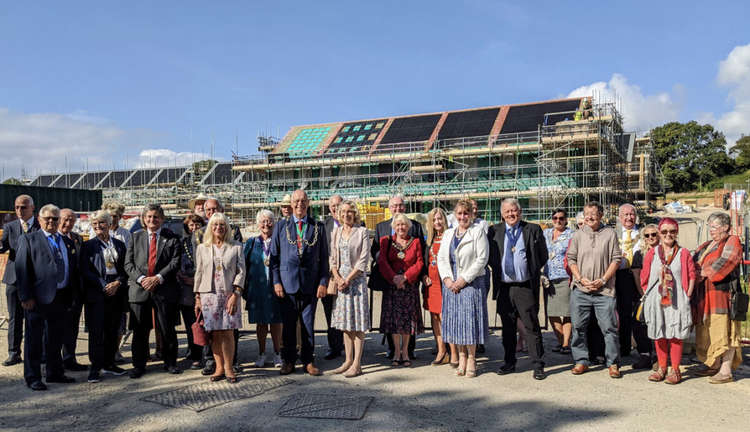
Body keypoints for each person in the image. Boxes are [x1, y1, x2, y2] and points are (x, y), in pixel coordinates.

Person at [15, 204, 79, 390]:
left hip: (61, 297)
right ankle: (33, 377)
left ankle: (54, 372)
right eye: (47, 219)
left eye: (55, 218)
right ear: (40, 220)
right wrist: (25, 296)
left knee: (55, 338)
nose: (51, 221)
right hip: (37, 298)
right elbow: (22, 270)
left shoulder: (67, 241)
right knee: (34, 340)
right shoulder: (28, 239)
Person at [488, 198, 548, 380]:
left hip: (524, 287)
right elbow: (491, 256)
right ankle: (509, 362)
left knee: (531, 326)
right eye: (507, 212)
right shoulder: (494, 231)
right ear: (502, 214)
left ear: (520, 212)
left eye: (514, 211)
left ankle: (538, 364)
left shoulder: (533, 229)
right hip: (504, 288)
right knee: (507, 327)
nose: (511, 214)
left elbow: (542, 256)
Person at [270, 189, 328, 376]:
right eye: (296, 201)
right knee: (288, 326)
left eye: (303, 201)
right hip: (287, 285)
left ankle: (308, 361)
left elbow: (324, 259)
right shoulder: (281, 227)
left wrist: (323, 282)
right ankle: (288, 361)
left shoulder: (317, 226)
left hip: (310, 285)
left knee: (308, 325)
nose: (299, 204)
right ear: (291, 204)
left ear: (308, 203)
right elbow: (274, 259)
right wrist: (277, 282)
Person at [124, 204, 182, 378]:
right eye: (148, 216)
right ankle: (138, 365)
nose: (152, 220)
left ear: (162, 219)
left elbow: (175, 262)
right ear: (143, 219)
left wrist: (157, 278)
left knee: (167, 329)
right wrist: (142, 280)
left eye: (156, 217)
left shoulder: (172, 238)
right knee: (140, 330)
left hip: (164, 289)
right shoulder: (135, 237)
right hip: (140, 289)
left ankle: (170, 362)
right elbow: (128, 264)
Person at [566, 201, 622, 378]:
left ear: (601, 215)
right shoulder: (578, 235)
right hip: (581, 290)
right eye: (586, 213)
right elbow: (571, 259)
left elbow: (616, 259)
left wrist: (603, 279)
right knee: (578, 327)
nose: (589, 216)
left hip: (604, 291)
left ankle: (612, 363)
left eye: (593, 213)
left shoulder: (610, 234)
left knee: (609, 328)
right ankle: (581, 360)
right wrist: (580, 278)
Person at [640, 218, 695, 384]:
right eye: (664, 232)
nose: (668, 235)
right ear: (659, 233)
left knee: (675, 334)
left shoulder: (683, 253)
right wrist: (648, 296)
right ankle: (662, 367)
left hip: (677, 299)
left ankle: (676, 370)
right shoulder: (652, 253)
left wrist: (688, 295)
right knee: (659, 333)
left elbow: (692, 275)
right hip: (657, 300)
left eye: (672, 231)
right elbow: (645, 276)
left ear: (676, 232)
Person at [438, 200, 489, 377]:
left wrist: (463, 279)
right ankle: (461, 356)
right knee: (456, 323)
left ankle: (472, 358)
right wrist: (447, 279)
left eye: (466, 213)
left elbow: (481, 259)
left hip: (471, 284)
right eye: (459, 214)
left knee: (469, 323)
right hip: (451, 285)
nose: (462, 217)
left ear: (472, 215)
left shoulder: (478, 232)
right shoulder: (448, 233)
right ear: (455, 215)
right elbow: (442, 258)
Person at [692, 212, 744, 384]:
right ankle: (713, 363)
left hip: (723, 295)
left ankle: (726, 369)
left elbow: (727, 260)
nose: (711, 230)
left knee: (725, 331)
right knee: (708, 329)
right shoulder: (707, 245)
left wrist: (703, 273)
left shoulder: (732, 240)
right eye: (710, 226)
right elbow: (693, 263)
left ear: (725, 227)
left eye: (714, 227)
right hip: (705, 296)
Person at [371, 194, 425, 360]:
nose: (398, 208)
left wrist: (407, 277)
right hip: (390, 280)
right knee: (391, 316)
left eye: (400, 205)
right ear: (389, 207)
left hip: (410, 281)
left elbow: (421, 253)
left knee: (411, 316)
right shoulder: (381, 227)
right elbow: (376, 252)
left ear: (405, 207)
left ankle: (409, 350)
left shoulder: (415, 226)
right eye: (394, 206)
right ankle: (392, 349)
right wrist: (393, 277)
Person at [194, 212, 246, 383]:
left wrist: (236, 294)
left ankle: (230, 368)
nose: (219, 228)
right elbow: (199, 273)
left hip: (230, 294)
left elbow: (241, 272)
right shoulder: (202, 248)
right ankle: (219, 368)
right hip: (209, 295)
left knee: (228, 332)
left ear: (227, 227)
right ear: (210, 227)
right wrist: (197, 298)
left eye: (222, 224)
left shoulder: (236, 246)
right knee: (215, 333)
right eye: (215, 225)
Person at [80, 211, 129, 383]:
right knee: (96, 332)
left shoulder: (119, 244)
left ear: (109, 224)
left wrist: (118, 283)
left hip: (116, 292)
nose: (98, 227)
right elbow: (86, 271)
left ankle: (109, 363)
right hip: (97, 293)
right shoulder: (88, 246)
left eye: (101, 223)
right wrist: (103, 285)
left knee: (112, 329)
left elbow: (125, 269)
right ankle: (95, 367)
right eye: (95, 224)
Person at [329, 201, 371, 377]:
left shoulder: (362, 232)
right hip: (341, 283)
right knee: (346, 324)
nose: (346, 215)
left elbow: (363, 259)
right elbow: (332, 257)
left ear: (355, 214)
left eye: (350, 212)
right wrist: (338, 278)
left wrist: (347, 278)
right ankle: (347, 360)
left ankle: (357, 363)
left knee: (358, 324)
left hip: (356, 282)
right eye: (343, 212)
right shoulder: (336, 232)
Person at [1, 194, 39, 367]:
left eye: (23, 207)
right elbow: (3, 246)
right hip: (14, 279)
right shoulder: (10, 227)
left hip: (36, 280)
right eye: (16, 207)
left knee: (35, 318)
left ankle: (37, 352)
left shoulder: (41, 226)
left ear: (32, 208)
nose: (19, 211)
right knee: (15, 318)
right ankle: (14, 352)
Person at [243, 210, 283, 368]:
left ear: (274, 222)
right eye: (263, 221)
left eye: (269, 221)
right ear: (258, 224)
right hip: (258, 289)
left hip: (276, 289)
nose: (266, 224)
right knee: (260, 324)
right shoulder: (251, 243)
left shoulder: (279, 241)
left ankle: (277, 353)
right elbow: (243, 266)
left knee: (276, 322)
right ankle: (261, 353)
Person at [615, 203, 652, 369]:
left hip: (640, 276)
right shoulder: (613, 233)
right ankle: (624, 348)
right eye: (625, 215)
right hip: (620, 276)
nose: (629, 217)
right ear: (619, 217)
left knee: (640, 314)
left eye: (632, 214)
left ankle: (644, 349)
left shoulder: (644, 233)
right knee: (622, 313)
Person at [100, 200, 132, 364]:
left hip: (120, 281)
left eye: (116, 216)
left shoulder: (125, 234)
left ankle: (116, 350)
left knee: (120, 319)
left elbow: (128, 259)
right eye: (110, 216)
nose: (113, 219)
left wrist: (120, 281)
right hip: (102, 281)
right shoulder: (96, 232)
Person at [58, 208, 87, 371]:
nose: (67, 224)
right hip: (56, 292)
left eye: (71, 221)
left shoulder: (77, 239)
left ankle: (69, 358)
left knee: (72, 327)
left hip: (75, 292)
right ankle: (52, 361)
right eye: (65, 219)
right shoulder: (52, 238)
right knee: (55, 328)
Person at [422, 207, 451, 365]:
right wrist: (423, 276)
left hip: (444, 283)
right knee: (434, 316)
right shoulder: (429, 240)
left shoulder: (450, 236)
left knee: (443, 316)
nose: (437, 222)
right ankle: (440, 349)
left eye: (440, 219)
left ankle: (450, 350)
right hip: (431, 283)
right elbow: (425, 262)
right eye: (434, 219)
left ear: (445, 220)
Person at [543, 208, 574, 354]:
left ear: (566, 219)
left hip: (565, 276)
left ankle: (566, 343)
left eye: (561, 218)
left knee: (566, 312)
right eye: (555, 218)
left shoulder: (572, 235)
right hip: (548, 278)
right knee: (552, 311)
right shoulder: (546, 233)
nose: (558, 221)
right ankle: (561, 341)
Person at [176, 214, 205, 370]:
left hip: (205, 287)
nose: (194, 228)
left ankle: (209, 355)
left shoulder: (208, 242)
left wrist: (198, 281)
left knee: (207, 323)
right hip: (187, 289)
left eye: (197, 225)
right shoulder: (183, 243)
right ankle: (195, 356)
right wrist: (186, 279)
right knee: (191, 325)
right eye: (191, 225)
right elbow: (177, 264)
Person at [322, 194, 345, 360]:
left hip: (349, 276)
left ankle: (349, 346)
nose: (336, 208)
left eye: (339, 204)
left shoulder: (355, 222)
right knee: (331, 312)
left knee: (348, 312)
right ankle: (334, 346)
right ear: (329, 208)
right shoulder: (324, 226)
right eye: (333, 205)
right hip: (330, 277)